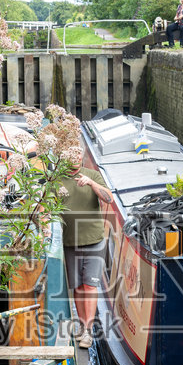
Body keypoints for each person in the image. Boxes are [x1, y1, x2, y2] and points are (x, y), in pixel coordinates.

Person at [56, 146, 114, 347]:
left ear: (81, 155)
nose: (75, 157)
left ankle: (88, 331)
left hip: (94, 239)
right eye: (71, 154)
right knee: (78, 287)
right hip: (69, 241)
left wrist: (91, 184)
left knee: (90, 285)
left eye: (78, 153)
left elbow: (108, 198)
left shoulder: (92, 175)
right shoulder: (56, 178)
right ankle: (82, 326)